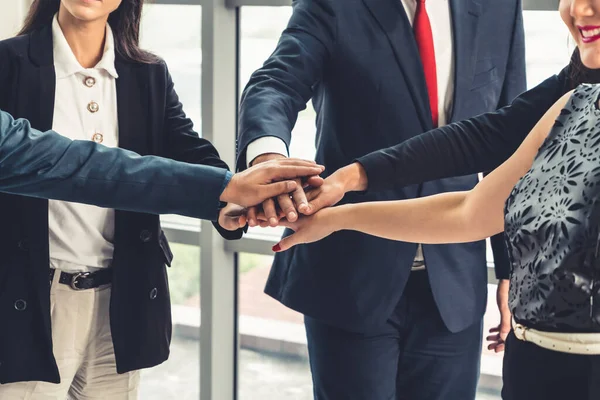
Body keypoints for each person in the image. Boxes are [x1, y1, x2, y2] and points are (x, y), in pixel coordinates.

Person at [275, 1, 600, 398]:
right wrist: (345, 195)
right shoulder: (575, 100)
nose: (580, 9)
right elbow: (474, 190)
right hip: (533, 369)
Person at [0, 1, 322, 397]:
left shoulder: (147, 73)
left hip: (123, 301)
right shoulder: (7, 64)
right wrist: (228, 188)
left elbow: (190, 152)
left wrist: (238, 201)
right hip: (29, 302)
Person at [236, 0, 526, 398]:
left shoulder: (500, 6)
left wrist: (515, 270)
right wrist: (268, 157)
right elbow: (276, 83)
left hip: (454, 283)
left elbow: (511, 145)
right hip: (353, 277)